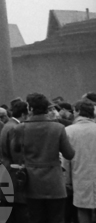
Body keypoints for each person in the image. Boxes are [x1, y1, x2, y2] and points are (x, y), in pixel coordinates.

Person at [9, 92, 76, 223]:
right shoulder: (58, 128)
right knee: (57, 218)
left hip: (32, 183)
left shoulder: (20, 128)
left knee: (36, 218)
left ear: (30, 109)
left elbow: (15, 148)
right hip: (55, 182)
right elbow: (69, 154)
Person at [65, 100, 96, 223]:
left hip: (79, 176)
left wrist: (67, 180)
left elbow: (66, 159)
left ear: (77, 112)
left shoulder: (68, 131)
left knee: (82, 209)